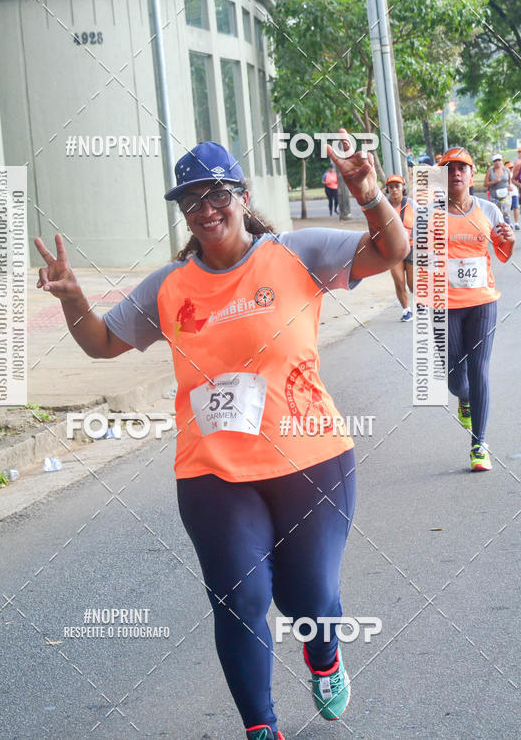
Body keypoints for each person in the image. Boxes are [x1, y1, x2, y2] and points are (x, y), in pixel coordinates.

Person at [35, 138, 409, 739]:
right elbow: (102, 342)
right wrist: (76, 300)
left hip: (310, 458)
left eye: (216, 194)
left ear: (240, 196)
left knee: (307, 597)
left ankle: (325, 654)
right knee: (241, 599)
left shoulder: (298, 252)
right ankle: (261, 729)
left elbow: (393, 249)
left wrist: (369, 197)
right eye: (191, 200)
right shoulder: (170, 286)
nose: (205, 209)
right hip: (212, 472)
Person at [436, 147, 514, 471]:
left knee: (479, 369)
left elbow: (503, 254)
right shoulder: (431, 215)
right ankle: (463, 397)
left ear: (471, 176)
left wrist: (507, 238)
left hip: (482, 302)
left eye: (462, 168)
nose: (456, 173)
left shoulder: (489, 211)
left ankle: (479, 445)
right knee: (456, 377)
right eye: (450, 168)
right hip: (446, 306)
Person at [385, 174, 415, 321]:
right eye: (391, 187)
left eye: (397, 186)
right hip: (393, 250)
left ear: (403, 188)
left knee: (412, 284)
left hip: (411, 247)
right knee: (399, 281)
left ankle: (422, 304)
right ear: (388, 190)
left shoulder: (411, 204)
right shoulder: (383, 206)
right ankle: (406, 310)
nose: (394, 190)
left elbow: (424, 222)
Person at [484, 153, 511, 223]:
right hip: (494, 197)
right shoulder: (490, 170)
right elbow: (485, 184)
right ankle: (497, 231)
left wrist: (509, 186)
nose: (497, 162)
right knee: (495, 214)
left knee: (506, 214)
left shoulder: (506, 170)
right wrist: (494, 181)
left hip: (506, 196)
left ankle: (507, 229)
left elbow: (509, 181)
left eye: (499, 160)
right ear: (493, 162)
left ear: (502, 161)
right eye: (495, 160)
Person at [506, 160, 521, 230]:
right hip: (506, 194)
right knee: (507, 209)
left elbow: (516, 181)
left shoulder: (515, 173)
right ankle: (510, 223)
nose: (510, 169)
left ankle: (516, 223)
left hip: (514, 193)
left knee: (515, 208)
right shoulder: (504, 174)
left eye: (511, 167)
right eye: (509, 167)